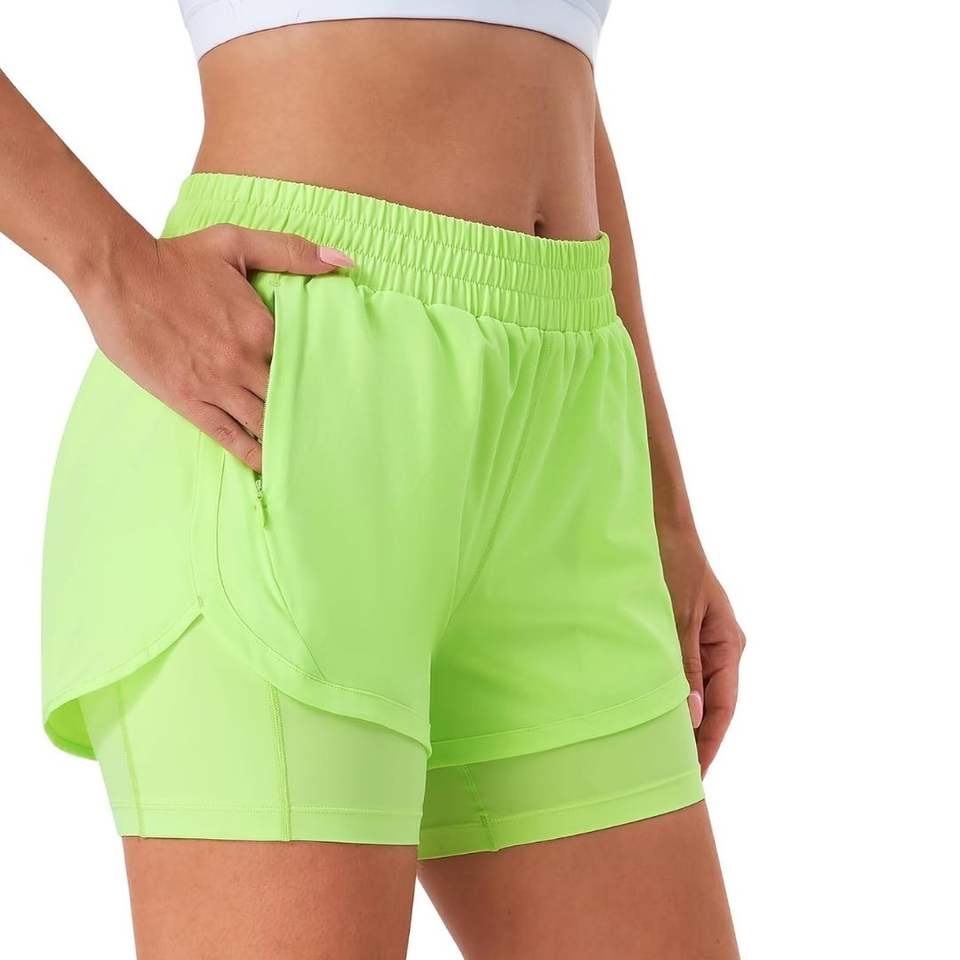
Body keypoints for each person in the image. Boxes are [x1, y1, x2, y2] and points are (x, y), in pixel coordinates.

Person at [1, 5, 745, 957]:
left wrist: (663, 507)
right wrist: (107, 265)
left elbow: (537, 63)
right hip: (290, 393)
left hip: (568, 429)